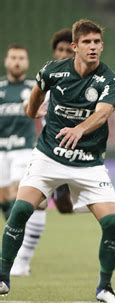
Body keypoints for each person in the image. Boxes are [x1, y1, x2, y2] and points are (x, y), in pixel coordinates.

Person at [0, 19, 115, 303]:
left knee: (112, 225)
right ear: (75, 47)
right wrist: (32, 110)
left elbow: (104, 113)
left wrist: (80, 128)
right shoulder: (52, 70)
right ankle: (3, 278)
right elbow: (34, 98)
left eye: (97, 42)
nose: (93, 47)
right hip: (48, 156)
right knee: (20, 211)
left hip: (89, 162)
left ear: (102, 46)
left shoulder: (108, 79)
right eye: (87, 42)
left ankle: (105, 287)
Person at [0, 45, 36, 222]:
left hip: (23, 147)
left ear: (27, 62)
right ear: (6, 61)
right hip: (1, 149)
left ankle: (16, 236)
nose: (17, 62)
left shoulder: (34, 87)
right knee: (4, 196)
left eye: (21, 58)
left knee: (17, 189)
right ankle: (13, 230)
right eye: (13, 58)